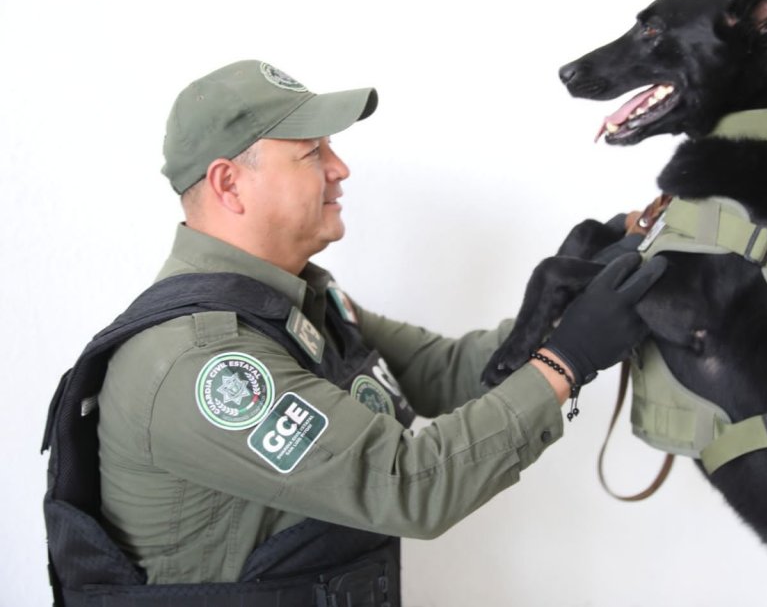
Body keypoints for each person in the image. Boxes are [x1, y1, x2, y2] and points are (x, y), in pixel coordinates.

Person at [42, 59, 666, 606]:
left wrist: (570, 302)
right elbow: (405, 484)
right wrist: (565, 360)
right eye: (311, 153)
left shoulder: (298, 300)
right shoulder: (202, 360)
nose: (340, 168)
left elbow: (444, 372)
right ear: (229, 183)